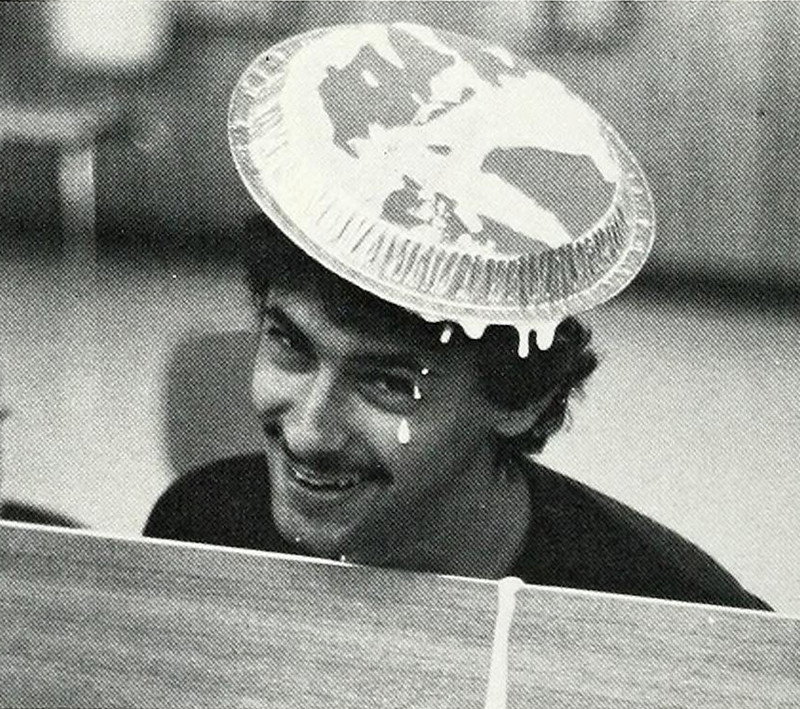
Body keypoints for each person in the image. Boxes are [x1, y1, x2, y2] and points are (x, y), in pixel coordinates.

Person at [144, 213, 770, 611]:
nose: (308, 432)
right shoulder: (198, 531)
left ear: (520, 400)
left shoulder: (671, 617)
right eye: (290, 345)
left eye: (389, 383)